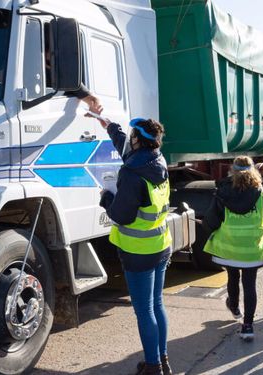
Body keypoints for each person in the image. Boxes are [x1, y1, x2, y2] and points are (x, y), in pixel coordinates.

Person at [96, 116, 173, 375]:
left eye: (131, 136)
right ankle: (162, 360)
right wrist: (107, 123)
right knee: (157, 304)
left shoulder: (131, 172)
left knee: (144, 311)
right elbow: (124, 147)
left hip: (138, 251)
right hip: (161, 244)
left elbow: (121, 215)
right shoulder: (158, 160)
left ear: (138, 140)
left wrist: (106, 198)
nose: (129, 139)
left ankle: (152, 367)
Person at [202, 156, 263, 341]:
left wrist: (208, 229)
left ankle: (235, 308)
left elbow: (211, 221)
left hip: (229, 247)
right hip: (252, 249)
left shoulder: (223, 192)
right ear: (253, 171)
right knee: (249, 285)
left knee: (232, 277)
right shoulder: (260, 193)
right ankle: (248, 326)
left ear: (232, 170)